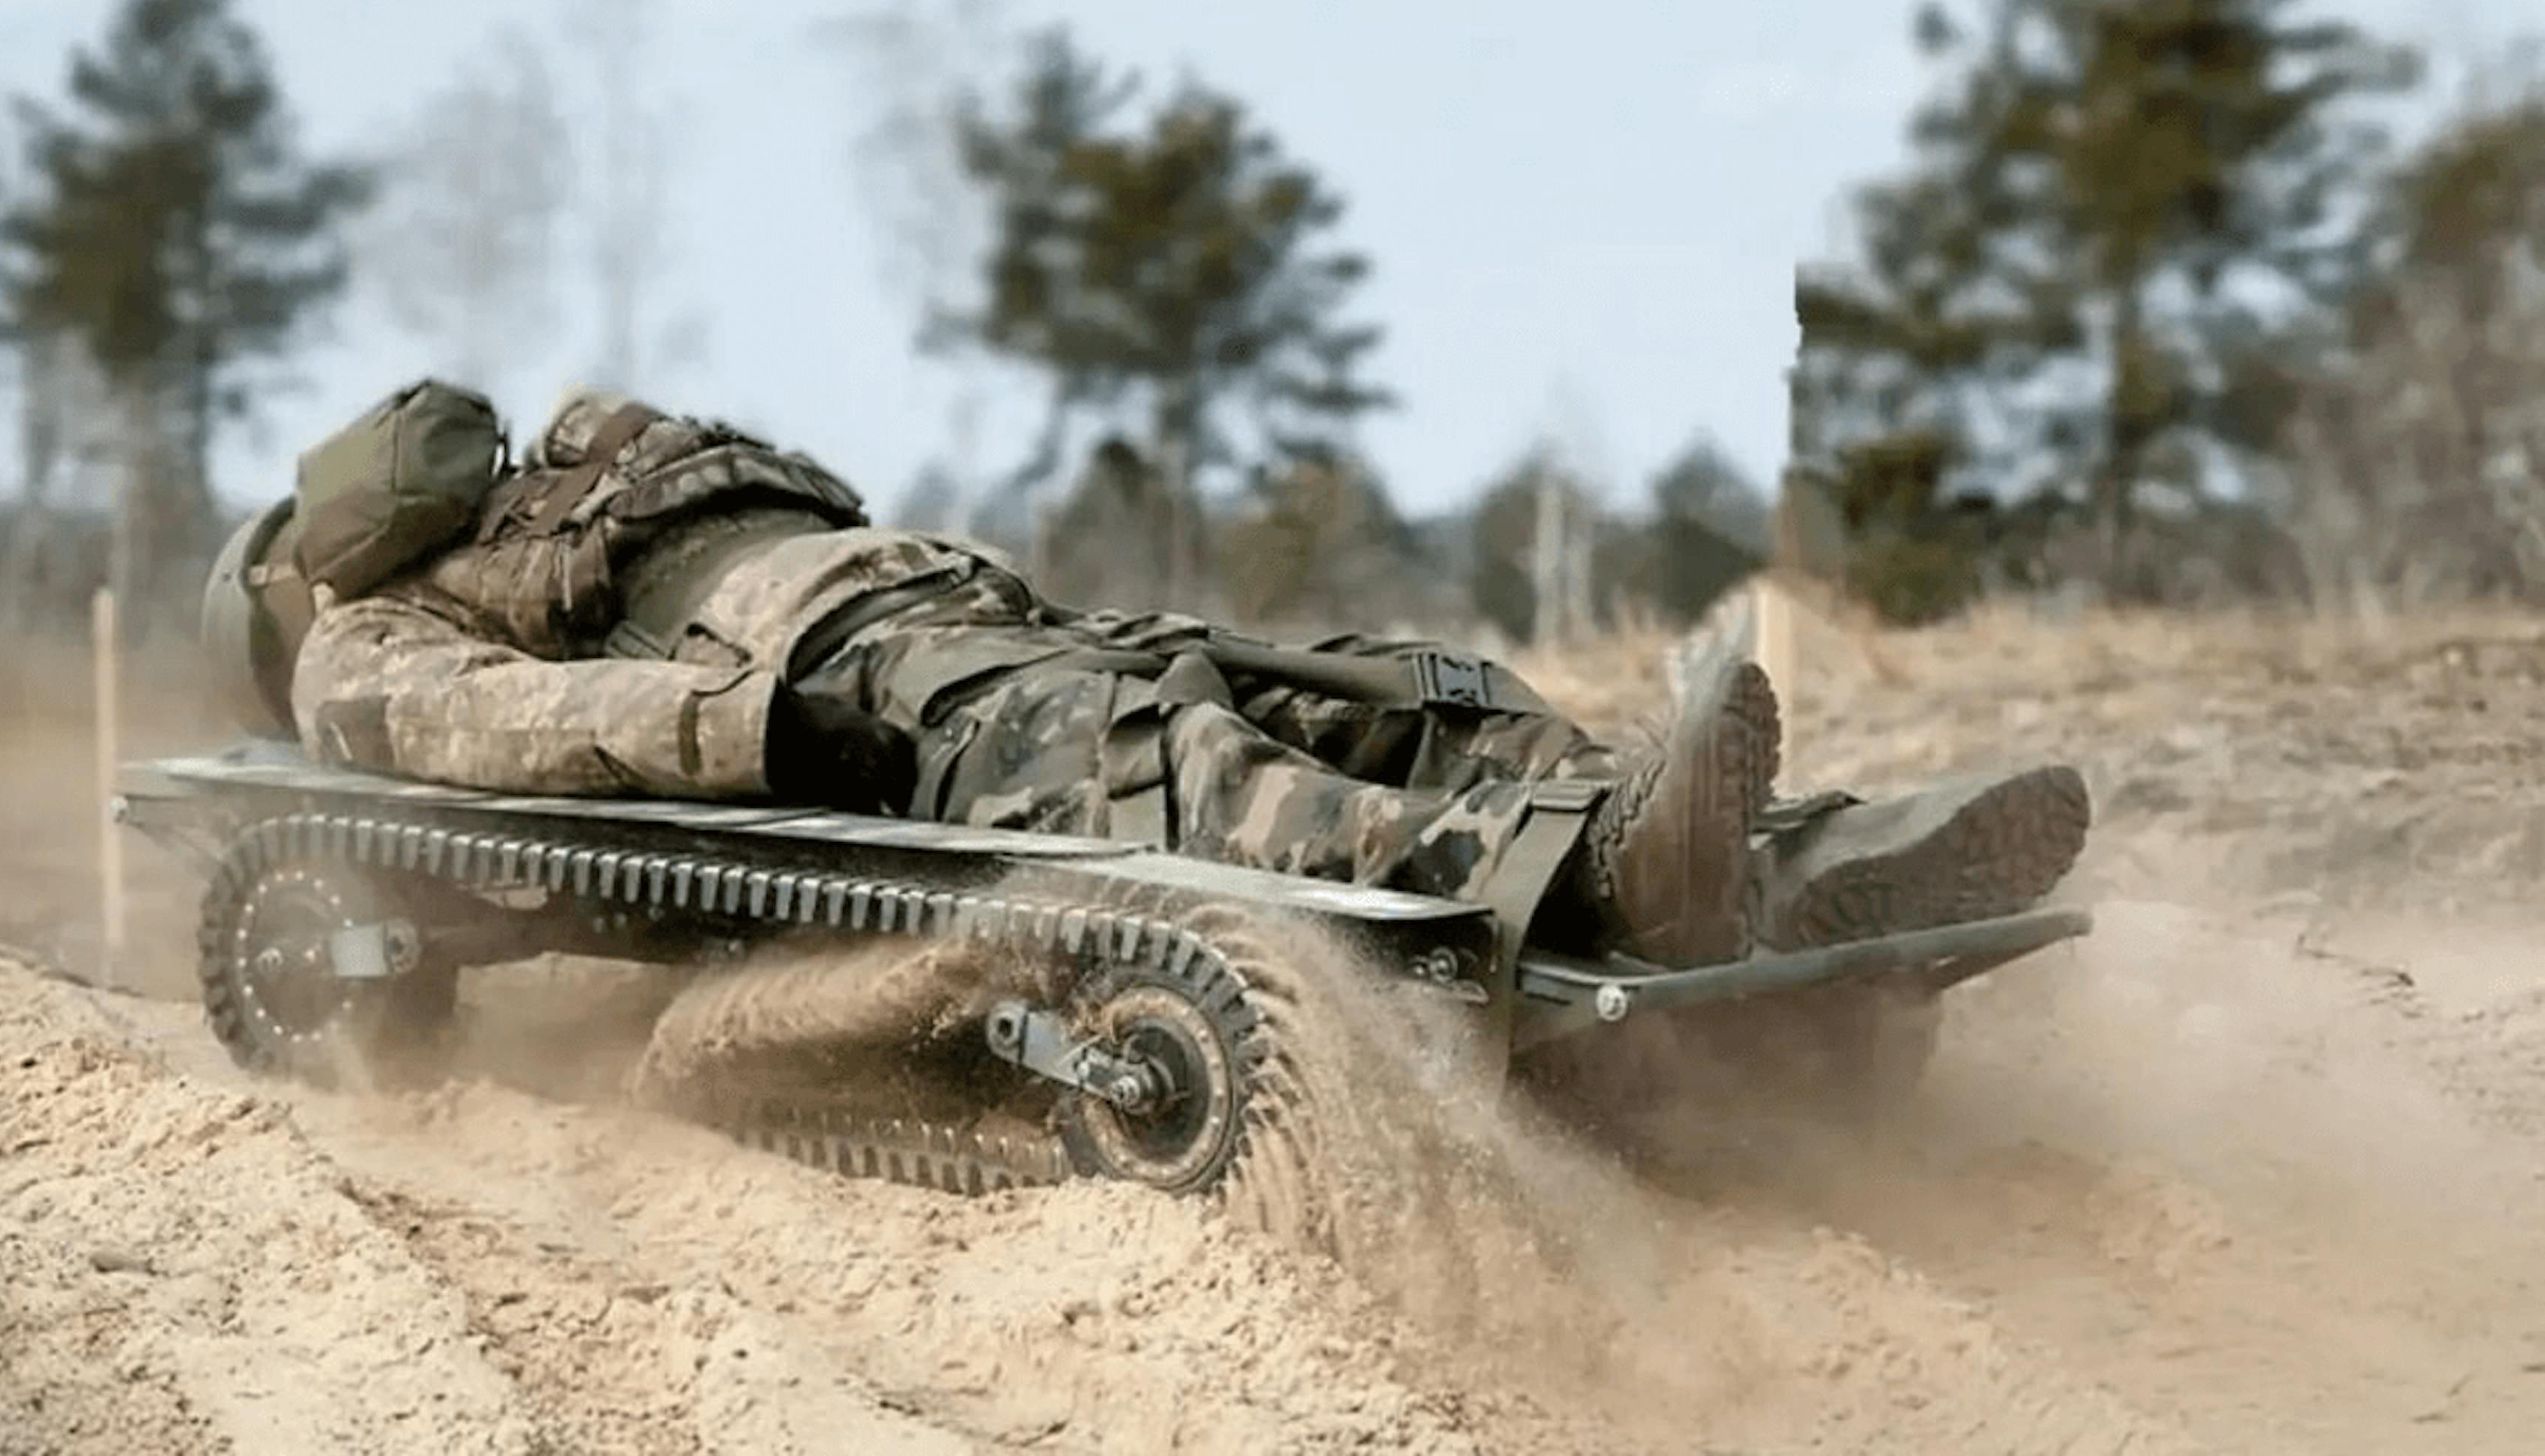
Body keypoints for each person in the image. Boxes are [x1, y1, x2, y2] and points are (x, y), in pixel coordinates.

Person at [202, 387, 2091, 969]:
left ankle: (1802, 856)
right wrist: (725, 721)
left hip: (974, 622)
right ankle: (1582, 885)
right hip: (855, 697)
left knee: (1396, 687)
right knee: (1171, 761)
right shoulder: (371, 650)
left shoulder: (558, 487)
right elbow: (492, 729)